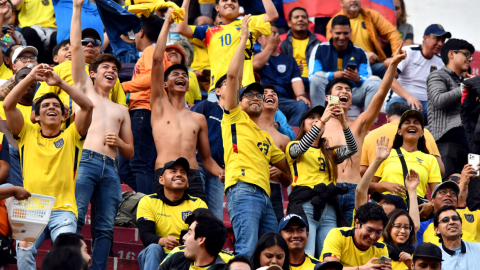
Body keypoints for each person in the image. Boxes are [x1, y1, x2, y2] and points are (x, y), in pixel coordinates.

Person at [7, 64, 93, 270]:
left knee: (69, 253)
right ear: (35, 116)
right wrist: (31, 78)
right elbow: (8, 106)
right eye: (45, 106)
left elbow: (88, 107)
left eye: (57, 106)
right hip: (31, 207)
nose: (51, 108)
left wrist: (60, 83)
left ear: (64, 116)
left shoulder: (72, 135)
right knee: (24, 248)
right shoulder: (27, 133)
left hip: (63, 209)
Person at [70, 1, 134, 268]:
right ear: (92, 73)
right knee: (74, 218)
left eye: (115, 70)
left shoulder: (122, 108)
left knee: (105, 228)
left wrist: (119, 142)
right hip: (86, 160)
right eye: (105, 68)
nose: (111, 71)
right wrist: (76, 8)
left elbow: (129, 151)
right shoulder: (84, 89)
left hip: (111, 169)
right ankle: (69, 264)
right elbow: (74, 48)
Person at [221, 15, 291, 257]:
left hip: (265, 195)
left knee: (271, 251)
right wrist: (243, 39)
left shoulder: (267, 137)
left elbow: (288, 175)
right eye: (248, 95)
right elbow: (232, 77)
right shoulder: (233, 117)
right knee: (247, 249)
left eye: (259, 96)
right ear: (238, 102)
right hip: (243, 189)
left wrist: (281, 173)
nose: (255, 98)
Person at [321, 43, 406, 225]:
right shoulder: (318, 126)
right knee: (327, 241)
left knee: (356, 238)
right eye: (339, 89)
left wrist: (392, 65)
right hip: (328, 189)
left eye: (348, 91)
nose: (345, 92)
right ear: (328, 98)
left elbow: (380, 94)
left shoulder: (359, 124)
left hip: (355, 190)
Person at [150, 8, 223, 203]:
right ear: (164, 84)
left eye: (184, 75)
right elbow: (157, 61)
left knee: (199, 226)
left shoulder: (198, 118)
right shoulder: (159, 106)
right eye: (175, 74)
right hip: (164, 173)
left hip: (193, 176)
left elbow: (206, 160)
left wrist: (221, 172)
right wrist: (167, 23)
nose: (181, 76)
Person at [286, 104, 357, 256]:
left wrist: (344, 122)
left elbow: (352, 148)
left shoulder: (330, 153)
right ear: (302, 125)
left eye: (318, 118)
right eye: (311, 118)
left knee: (329, 256)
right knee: (307, 254)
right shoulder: (294, 145)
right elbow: (301, 148)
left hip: (329, 207)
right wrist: (323, 120)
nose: (316, 120)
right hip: (306, 206)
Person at [178, 0, 278, 102]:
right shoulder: (208, 31)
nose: (229, 2)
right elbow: (181, 28)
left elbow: (272, 15)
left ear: (239, 8)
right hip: (218, 90)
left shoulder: (248, 22)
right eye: (225, 0)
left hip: (246, 88)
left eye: (234, 1)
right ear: (217, 7)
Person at [32, 27, 127, 131]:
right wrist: (58, 107)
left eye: (95, 43)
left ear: (100, 49)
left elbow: (122, 108)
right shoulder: (62, 68)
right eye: (85, 42)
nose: (90, 45)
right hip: (66, 132)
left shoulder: (112, 75)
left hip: (101, 134)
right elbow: (39, 100)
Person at [119, 15, 168, 194]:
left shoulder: (152, 51)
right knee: (125, 168)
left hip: (144, 110)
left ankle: (147, 209)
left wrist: (123, 86)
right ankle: (152, 198)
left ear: (141, 33)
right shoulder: (153, 51)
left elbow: (153, 78)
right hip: (139, 111)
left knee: (139, 163)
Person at [136, 158, 208, 270]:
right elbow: (146, 236)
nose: (179, 174)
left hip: (186, 255)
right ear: (161, 180)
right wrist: (164, 241)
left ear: (187, 182)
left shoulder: (198, 204)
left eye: (183, 172)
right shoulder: (148, 201)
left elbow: (204, 237)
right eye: (173, 171)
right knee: (154, 248)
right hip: (158, 255)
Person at [309, 15, 381, 110]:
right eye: (338, 33)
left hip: (351, 94)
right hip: (328, 95)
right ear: (331, 32)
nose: (342, 37)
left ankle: (369, 122)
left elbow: (367, 77)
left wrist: (357, 79)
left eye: (345, 33)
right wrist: (333, 76)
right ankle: (319, 116)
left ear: (351, 32)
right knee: (317, 78)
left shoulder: (360, 52)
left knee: (375, 81)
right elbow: (312, 75)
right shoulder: (320, 48)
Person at [427, 38, 475, 179]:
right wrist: (465, 87)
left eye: (471, 56)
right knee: (446, 189)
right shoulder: (437, 75)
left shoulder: (465, 81)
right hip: (446, 140)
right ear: (451, 54)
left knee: (468, 190)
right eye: (466, 54)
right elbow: (438, 100)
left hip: (468, 143)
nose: (469, 59)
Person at [371, 110, 441, 202]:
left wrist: (429, 205)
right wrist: (385, 185)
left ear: (422, 133)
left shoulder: (430, 159)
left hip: (416, 211)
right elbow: (367, 186)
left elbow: (436, 194)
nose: (412, 125)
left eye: (416, 123)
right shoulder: (387, 154)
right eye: (407, 123)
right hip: (388, 209)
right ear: (399, 131)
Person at [360, 102, 444, 177]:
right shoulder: (423, 132)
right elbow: (439, 169)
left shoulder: (371, 135)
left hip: (379, 192)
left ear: (387, 119)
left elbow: (362, 171)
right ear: (399, 131)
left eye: (415, 122)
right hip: (416, 191)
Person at [355, 136, 421, 231]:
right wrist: (377, 160)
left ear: (398, 211)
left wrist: (412, 190)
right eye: (379, 201)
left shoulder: (400, 233)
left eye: (385, 202)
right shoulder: (366, 221)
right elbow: (360, 191)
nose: (379, 204)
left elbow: (414, 225)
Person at [386, 25, 450, 121]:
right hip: (401, 100)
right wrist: (409, 97)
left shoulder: (442, 61)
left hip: (425, 105)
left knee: (446, 114)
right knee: (405, 112)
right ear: (425, 38)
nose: (440, 44)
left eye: (443, 41)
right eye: (437, 39)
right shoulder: (408, 51)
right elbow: (389, 79)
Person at [326, 0, 402, 78]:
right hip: (348, 68)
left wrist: (394, 58)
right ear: (341, 3)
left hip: (372, 66)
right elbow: (334, 50)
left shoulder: (370, 14)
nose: (354, 0)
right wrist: (363, 55)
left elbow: (392, 33)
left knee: (395, 69)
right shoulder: (334, 22)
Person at [254, 24, 310, 127]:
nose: (271, 36)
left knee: (302, 105)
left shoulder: (289, 60)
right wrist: (269, 47)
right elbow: (255, 65)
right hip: (258, 98)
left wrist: (301, 95)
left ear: (279, 38)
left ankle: (291, 137)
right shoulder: (252, 55)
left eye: (274, 33)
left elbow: (296, 80)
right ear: (259, 39)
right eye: (267, 34)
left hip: (283, 100)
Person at [320, 203, 392, 270]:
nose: (373, 237)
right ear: (357, 223)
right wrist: (361, 268)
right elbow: (329, 269)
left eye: (379, 232)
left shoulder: (381, 247)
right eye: (370, 230)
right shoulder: (338, 234)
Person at [158, 208, 234, 270]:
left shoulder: (229, 265)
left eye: (189, 232)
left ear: (201, 240)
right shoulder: (176, 258)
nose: (183, 238)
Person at [258, 84, 291, 222]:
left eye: (274, 94)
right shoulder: (246, 129)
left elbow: (288, 180)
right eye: (265, 92)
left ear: (277, 106)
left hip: (275, 189)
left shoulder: (285, 139)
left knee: (274, 236)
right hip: (251, 186)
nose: (270, 95)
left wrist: (280, 171)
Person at [0, 67, 36, 187]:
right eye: (23, 77)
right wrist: (23, 151)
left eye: (31, 78)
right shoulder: (3, 105)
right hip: (17, 154)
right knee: (9, 150)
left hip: (39, 151)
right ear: (15, 83)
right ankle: (19, 197)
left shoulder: (44, 105)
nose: (28, 81)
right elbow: (3, 128)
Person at [416, 181, 476, 245]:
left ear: (457, 203)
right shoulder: (421, 227)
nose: (448, 194)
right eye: (442, 192)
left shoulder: (468, 237)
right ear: (432, 202)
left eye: (453, 193)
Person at [279, 7, 325, 90]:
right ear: (289, 23)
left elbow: (327, 62)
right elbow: (277, 65)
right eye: (296, 17)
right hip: (289, 79)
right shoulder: (280, 40)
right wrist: (293, 70)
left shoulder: (320, 40)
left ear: (308, 22)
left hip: (315, 79)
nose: (300, 19)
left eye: (304, 17)